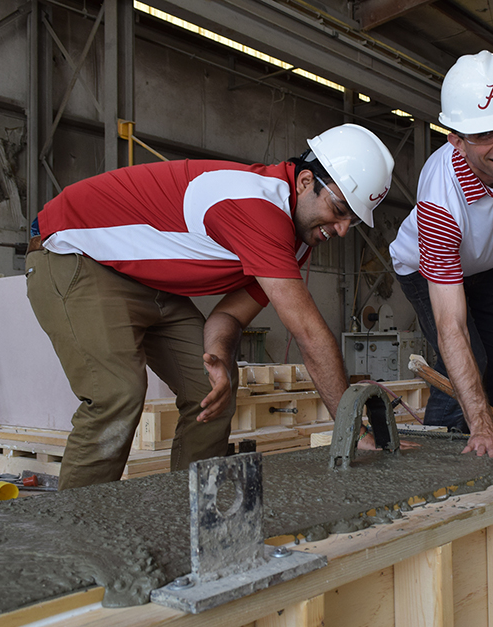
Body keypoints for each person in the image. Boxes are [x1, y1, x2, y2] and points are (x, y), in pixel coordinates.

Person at [26, 124, 394, 489]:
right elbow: (309, 335)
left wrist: (217, 356)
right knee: (116, 394)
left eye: (354, 221)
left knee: (213, 389)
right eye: (340, 209)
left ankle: (196, 522)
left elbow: (229, 316)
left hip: (149, 283)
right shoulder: (258, 207)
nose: (343, 229)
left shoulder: (294, 243)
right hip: (73, 254)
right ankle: (78, 535)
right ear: (305, 182)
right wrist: (354, 430)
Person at [388, 50, 493, 458]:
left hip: (489, 263)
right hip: (427, 268)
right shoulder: (440, 201)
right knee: (467, 362)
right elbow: (452, 328)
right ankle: (449, 453)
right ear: (456, 141)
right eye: (485, 135)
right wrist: (479, 425)